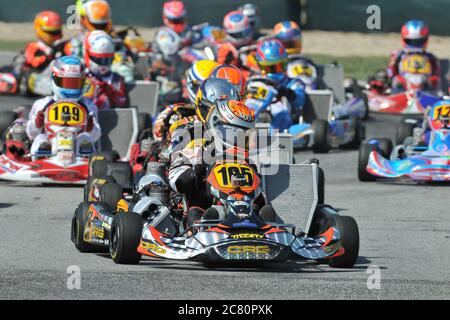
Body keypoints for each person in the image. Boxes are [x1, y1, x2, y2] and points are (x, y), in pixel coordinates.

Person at [168, 98, 256, 226]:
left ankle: (259, 223)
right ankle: (198, 229)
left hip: (244, 209)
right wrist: (197, 169)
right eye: (235, 134)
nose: (240, 140)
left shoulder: (248, 160)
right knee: (196, 211)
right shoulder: (196, 148)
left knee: (262, 206)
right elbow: (176, 181)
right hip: (204, 212)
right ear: (217, 128)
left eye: (246, 135)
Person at [26, 56, 101, 158]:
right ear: (55, 80)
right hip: (50, 145)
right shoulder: (42, 104)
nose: (71, 88)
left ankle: (87, 160)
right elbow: (31, 134)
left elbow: (96, 136)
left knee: (85, 138)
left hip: (77, 150)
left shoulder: (89, 106)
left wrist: (90, 128)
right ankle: (41, 156)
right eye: (67, 82)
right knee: (41, 138)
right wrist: (37, 123)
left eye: (75, 83)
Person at [0, 11, 66, 95]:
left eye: (56, 32)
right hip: (32, 77)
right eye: (51, 32)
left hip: (53, 77)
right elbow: (32, 62)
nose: (54, 35)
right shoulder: (33, 47)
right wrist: (47, 57)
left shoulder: (61, 47)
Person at [253, 39, 306, 131]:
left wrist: (287, 93)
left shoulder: (293, 83)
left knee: (279, 113)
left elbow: (300, 100)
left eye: (278, 67)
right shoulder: (253, 82)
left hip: (284, 120)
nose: (274, 71)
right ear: (260, 66)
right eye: (269, 68)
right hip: (256, 113)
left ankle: (271, 132)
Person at [386, 20, 440, 92]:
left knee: (434, 80)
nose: (415, 44)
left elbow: (438, 74)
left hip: (425, 86)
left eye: (419, 41)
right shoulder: (398, 54)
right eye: (410, 41)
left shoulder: (430, 57)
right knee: (397, 79)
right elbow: (390, 71)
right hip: (403, 85)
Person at [83, 30, 128, 109]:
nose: (103, 64)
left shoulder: (116, 79)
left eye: (107, 60)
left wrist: (108, 90)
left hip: (110, 118)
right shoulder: (82, 77)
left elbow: (121, 102)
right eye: (99, 60)